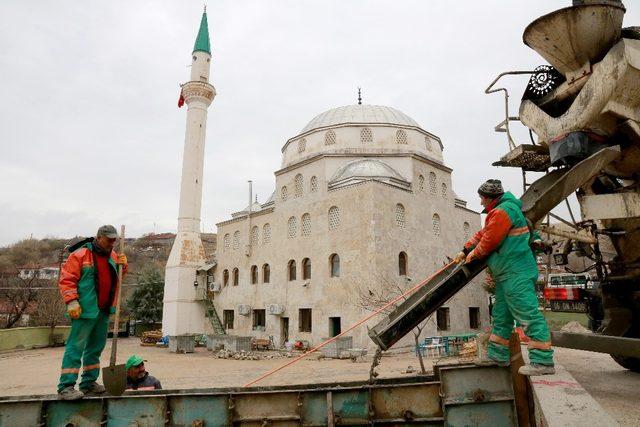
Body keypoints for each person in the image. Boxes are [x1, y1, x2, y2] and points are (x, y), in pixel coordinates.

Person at [454, 179, 555, 376]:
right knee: (501, 315)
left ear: (490, 198)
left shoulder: (503, 211)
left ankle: (543, 361)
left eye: (482, 199)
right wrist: (464, 249)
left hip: (515, 272)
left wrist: (472, 256)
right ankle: (498, 355)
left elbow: (489, 241)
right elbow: (482, 234)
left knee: (526, 313)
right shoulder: (499, 211)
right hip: (506, 274)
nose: (481, 203)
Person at [57, 225, 128, 400]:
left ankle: (88, 383)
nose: (112, 242)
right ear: (99, 237)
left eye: (114, 239)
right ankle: (66, 386)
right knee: (76, 347)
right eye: (109, 239)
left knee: (95, 348)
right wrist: (72, 301)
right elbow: (67, 279)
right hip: (84, 310)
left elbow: (116, 278)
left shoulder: (113, 256)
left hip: (103, 310)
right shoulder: (80, 255)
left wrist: (123, 267)